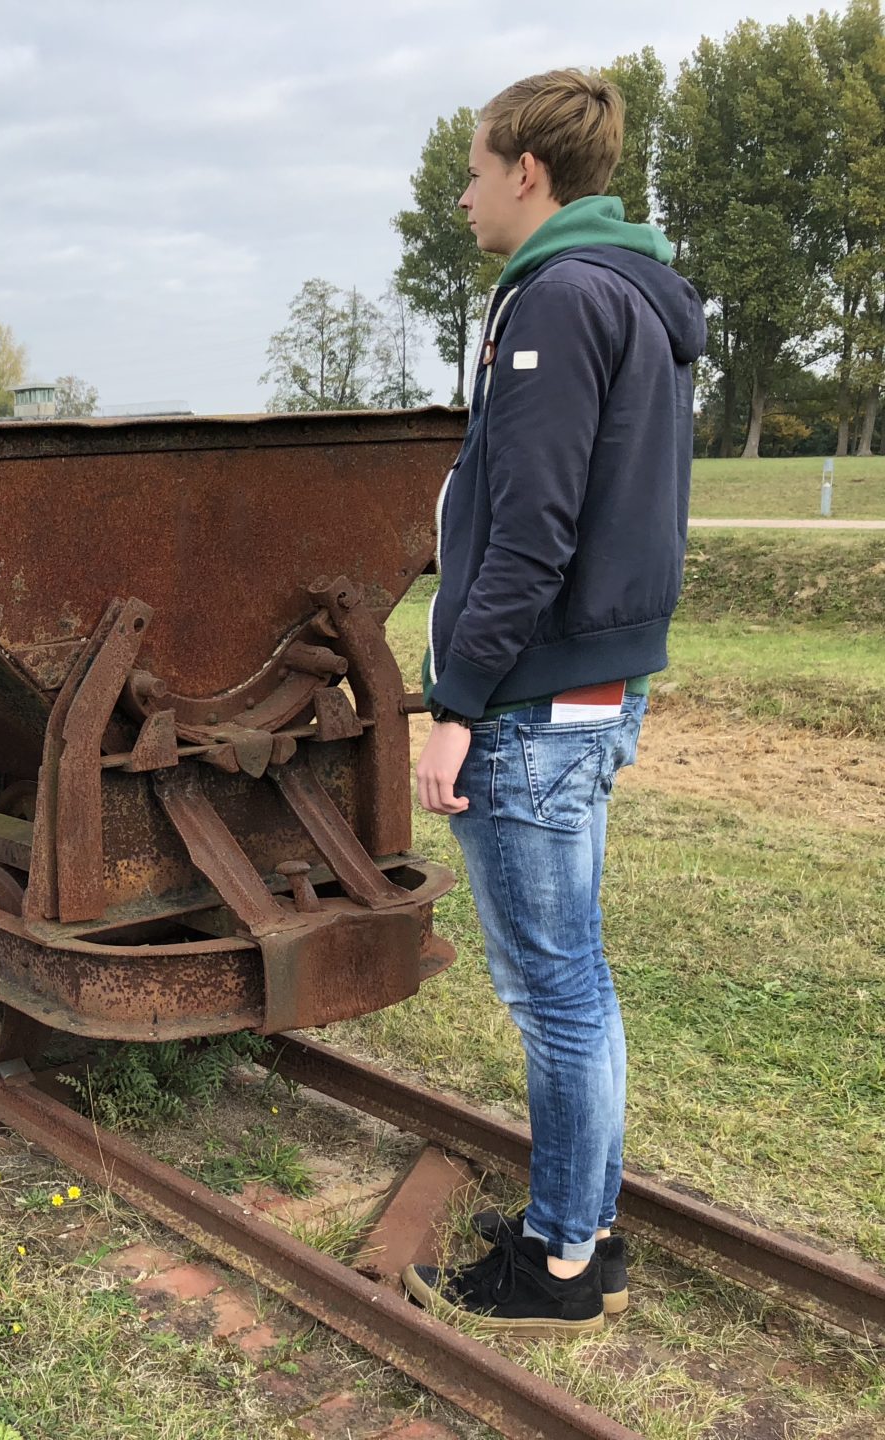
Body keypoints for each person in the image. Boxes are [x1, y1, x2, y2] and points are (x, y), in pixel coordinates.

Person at [403, 69, 705, 1338]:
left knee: (554, 991)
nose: (463, 194)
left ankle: (561, 1263)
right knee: (574, 981)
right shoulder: (627, 293)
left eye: (473, 169)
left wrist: (458, 700)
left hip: (529, 702)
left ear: (528, 171)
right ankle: (579, 1222)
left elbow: (531, 530)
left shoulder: (556, 298)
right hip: (588, 682)